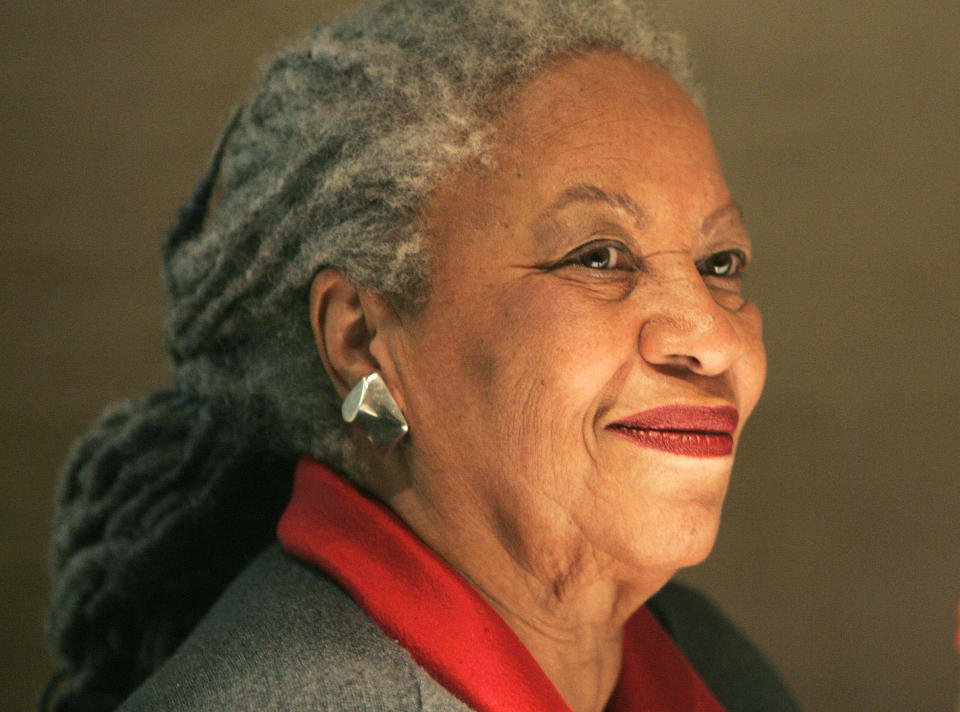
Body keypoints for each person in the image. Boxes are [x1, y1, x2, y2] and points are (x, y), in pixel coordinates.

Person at [44, 1, 800, 710]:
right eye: (599, 257)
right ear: (360, 343)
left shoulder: (711, 662)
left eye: (721, 263)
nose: (713, 337)